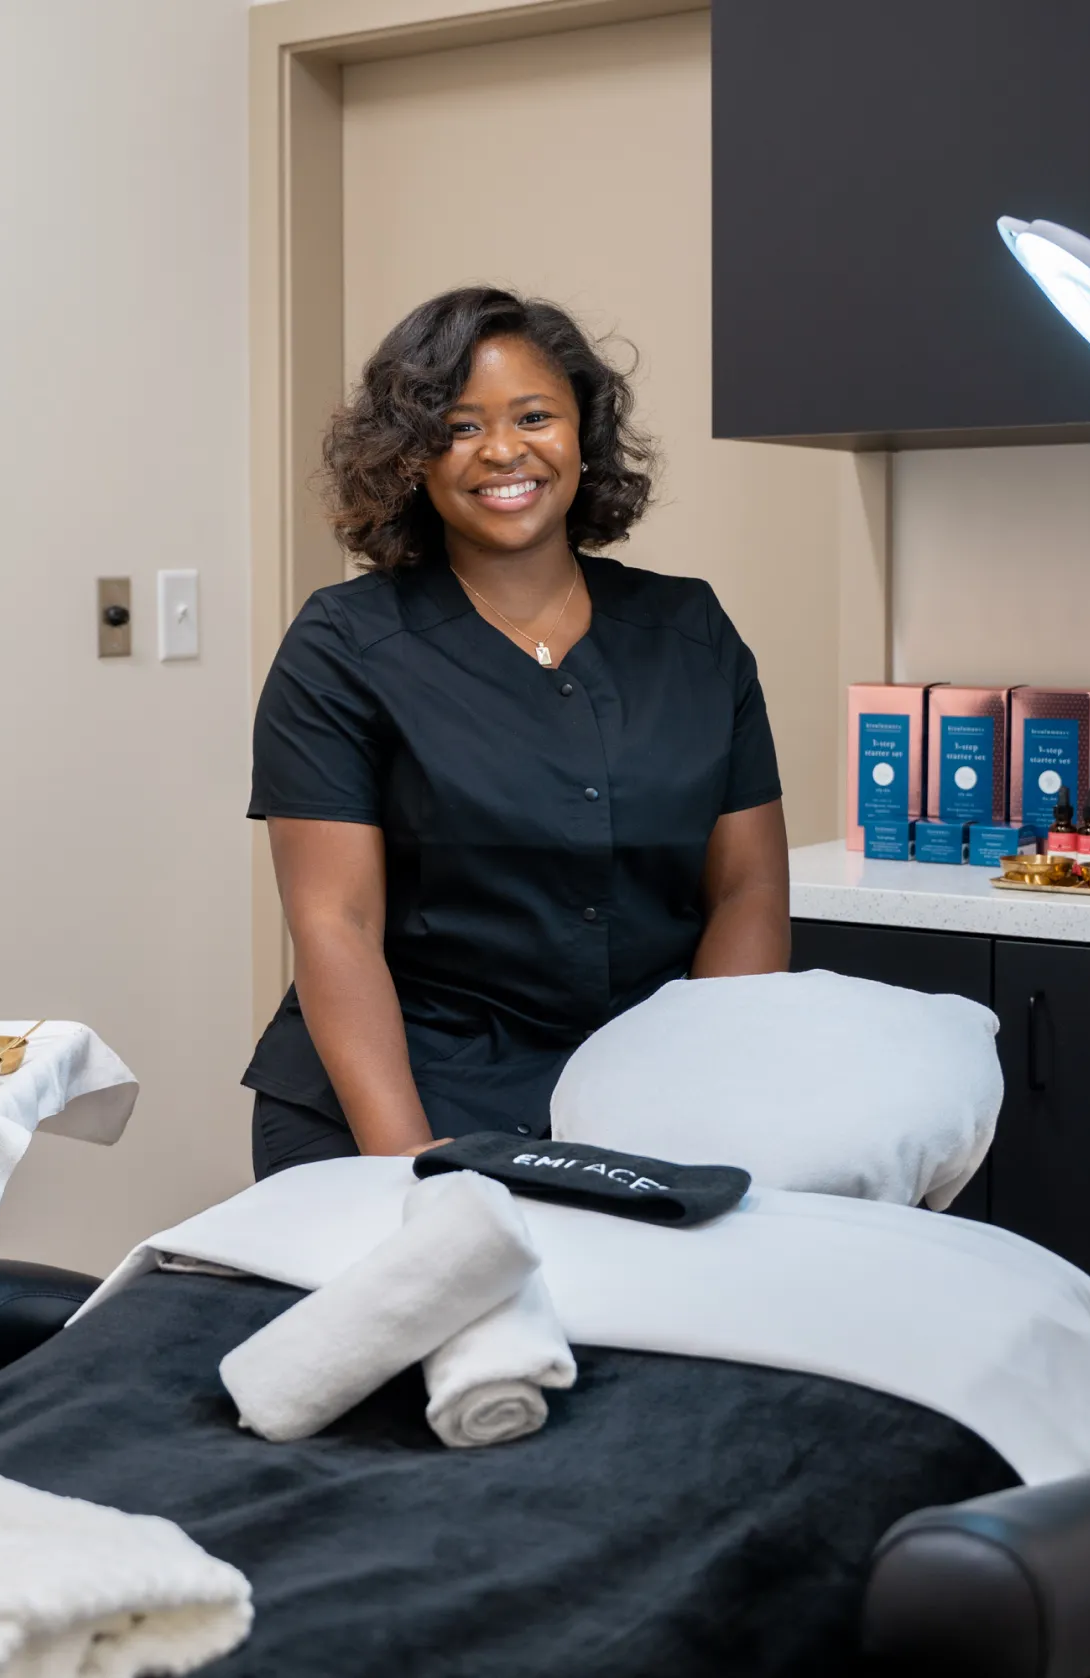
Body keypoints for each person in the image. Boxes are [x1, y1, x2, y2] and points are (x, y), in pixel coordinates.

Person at [243, 286, 790, 1175]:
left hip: (637, 1100)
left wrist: (696, 1104)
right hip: (399, 1101)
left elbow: (748, 894)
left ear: (583, 432)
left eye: (534, 415)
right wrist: (408, 1164)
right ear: (409, 459)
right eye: (458, 427)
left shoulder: (691, 634)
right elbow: (334, 922)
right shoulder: (344, 645)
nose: (503, 450)